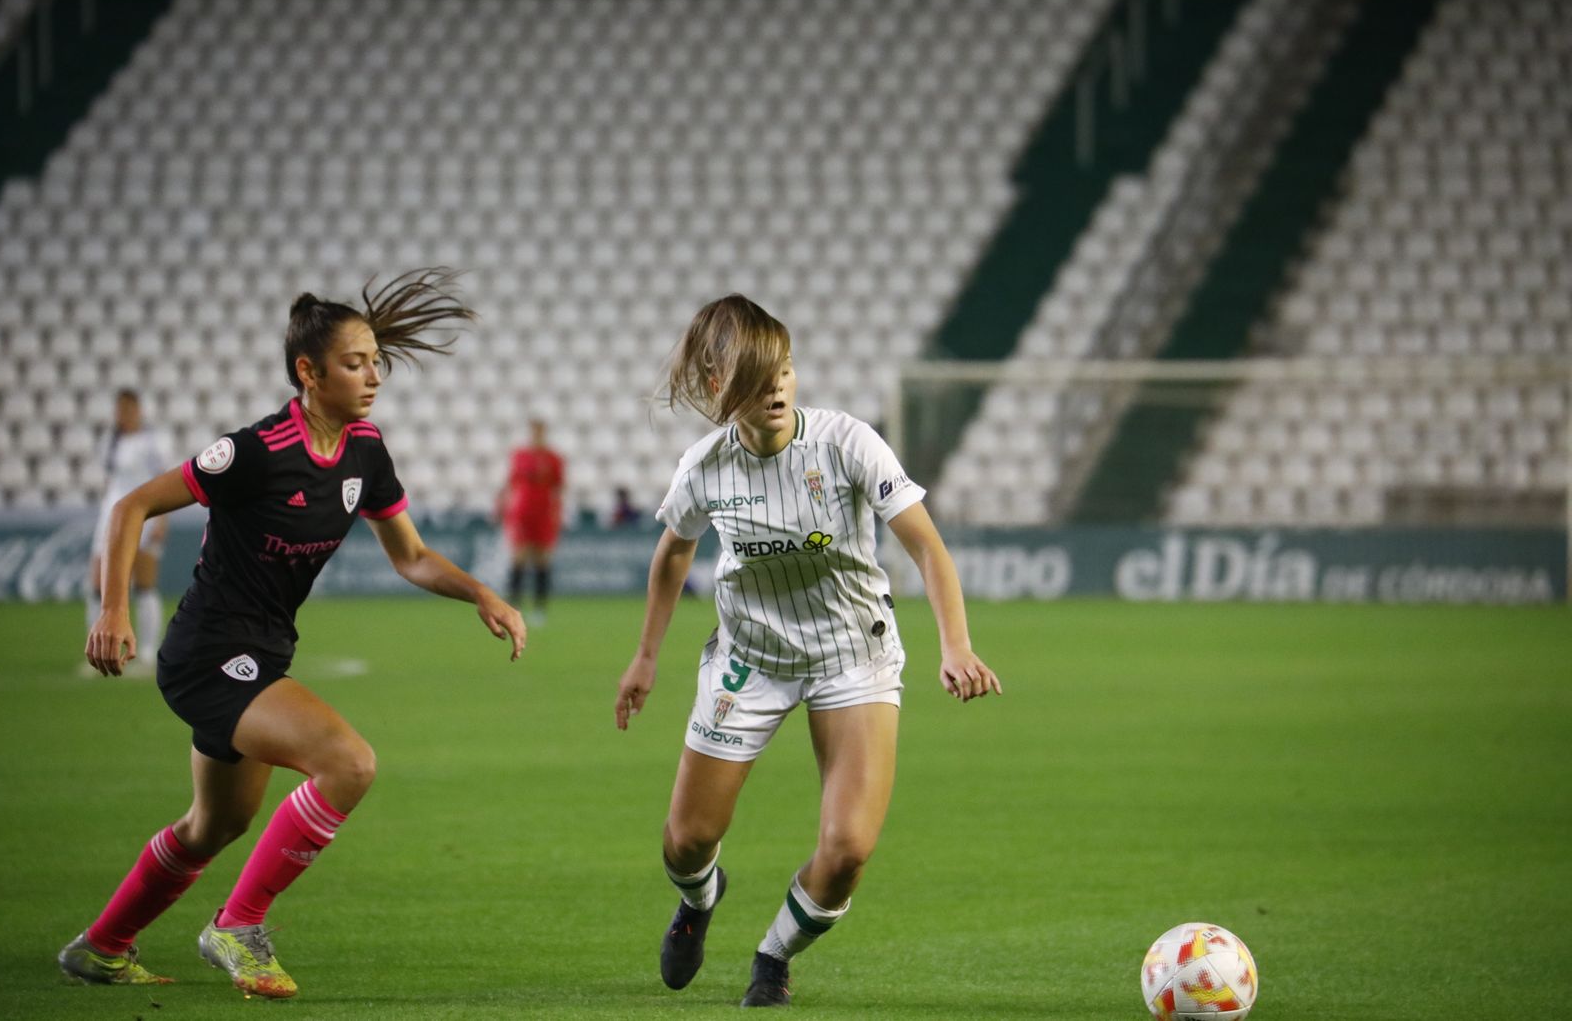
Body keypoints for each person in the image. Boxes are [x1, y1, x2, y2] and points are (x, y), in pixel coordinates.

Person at [59, 269, 527, 1000]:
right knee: (349, 763)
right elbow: (131, 506)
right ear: (308, 372)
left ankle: (102, 946)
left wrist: (479, 593)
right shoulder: (255, 450)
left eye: (377, 361)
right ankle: (237, 926)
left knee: (212, 826)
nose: (373, 375)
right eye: (355, 363)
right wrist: (115, 608)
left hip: (262, 653)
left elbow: (409, 556)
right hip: (210, 654)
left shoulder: (365, 451)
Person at [614, 295, 1002, 1008]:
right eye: (759, 377)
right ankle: (700, 902)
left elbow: (925, 543)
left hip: (853, 655)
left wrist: (957, 645)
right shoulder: (703, 468)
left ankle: (772, 956)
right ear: (715, 389)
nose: (778, 388)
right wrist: (646, 656)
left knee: (848, 849)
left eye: (785, 370)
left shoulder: (847, 443)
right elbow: (672, 552)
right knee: (686, 843)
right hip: (749, 659)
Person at [85, 389, 170, 675]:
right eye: (120, 409)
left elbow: (164, 480)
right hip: (109, 516)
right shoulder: (110, 441)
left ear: (138, 410)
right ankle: (98, 652)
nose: (123, 414)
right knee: (98, 585)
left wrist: (161, 521)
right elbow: (110, 481)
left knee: (144, 584)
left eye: (128, 409)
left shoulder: (151, 442)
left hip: (144, 514)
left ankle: (147, 650)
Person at [495, 418, 563, 625]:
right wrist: (503, 506)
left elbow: (559, 488)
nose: (536, 435)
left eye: (539, 431)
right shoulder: (520, 456)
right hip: (522, 513)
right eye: (534, 431)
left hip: (543, 513)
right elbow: (511, 483)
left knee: (542, 560)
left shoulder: (554, 459)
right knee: (519, 558)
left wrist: (556, 513)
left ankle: (539, 608)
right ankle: (513, 606)